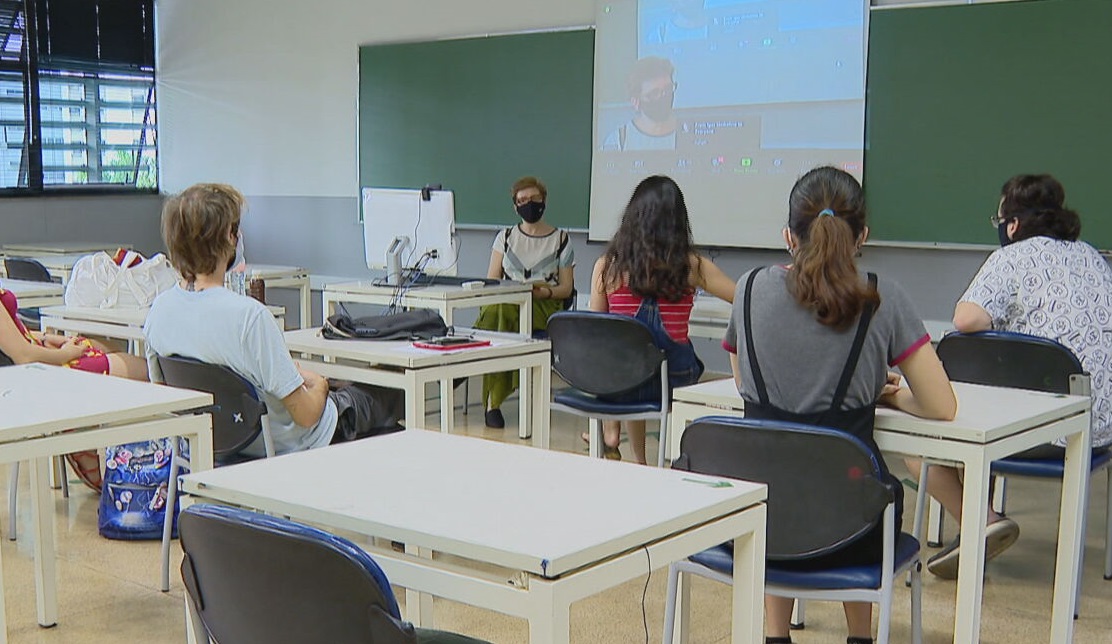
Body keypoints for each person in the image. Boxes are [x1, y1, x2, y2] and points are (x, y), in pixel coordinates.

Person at [722, 166, 956, 644]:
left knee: (785, 471)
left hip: (761, 523)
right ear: (862, 236)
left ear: (788, 235)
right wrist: (886, 392)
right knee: (853, 483)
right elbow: (941, 406)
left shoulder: (747, 289)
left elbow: (745, 381)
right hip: (853, 531)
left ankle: (776, 635)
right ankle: (859, 637)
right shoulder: (881, 295)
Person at [914, 173, 1112, 579]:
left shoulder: (1012, 258)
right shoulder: (1092, 256)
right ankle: (981, 524)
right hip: (1099, 427)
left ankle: (981, 521)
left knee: (926, 435)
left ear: (1013, 224)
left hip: (1040, 431)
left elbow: (965, 319)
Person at [145, 183, 399, 458]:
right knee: (392, 390)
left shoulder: (159, 311)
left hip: (210, 446)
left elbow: (165, 397)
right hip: (288, 443)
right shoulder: (250, 317)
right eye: (236, 230)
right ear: (229, 238)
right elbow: (307, 415)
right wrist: (321, 385)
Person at [590, 175, 735, 464]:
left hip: (622, 385)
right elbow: (744, 296)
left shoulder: (607, 267)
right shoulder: (691, 266)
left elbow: (596, 331)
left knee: (632, 355)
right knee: (655, 358)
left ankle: (636, 456)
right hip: (674, 382)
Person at [0, 286, 148, 490]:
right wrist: (66, 353)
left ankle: (93, 435)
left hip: (35, 361)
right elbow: (23, 356)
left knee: (104, 345)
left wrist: (46, 338)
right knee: (145, 369)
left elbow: (11, 332)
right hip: (35, 376)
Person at [474, 176, 575, 429]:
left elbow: (566, 288)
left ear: (544, 201)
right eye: (522, 201)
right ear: (514, 206)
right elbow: (492, 280)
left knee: (497, 322)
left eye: (533, 199)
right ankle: (492, 403)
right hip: (507, 302)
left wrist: (545, 293)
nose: (528, 204)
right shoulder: (505, 237)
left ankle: (489, 397)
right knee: (501, 312)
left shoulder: (561, 239)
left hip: (544, 305)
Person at [601, 57, 678, 151]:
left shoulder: (687, 133)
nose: (664, 96)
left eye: (668, 89)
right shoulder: (618, 140)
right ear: (636, 101)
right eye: (654, 93)